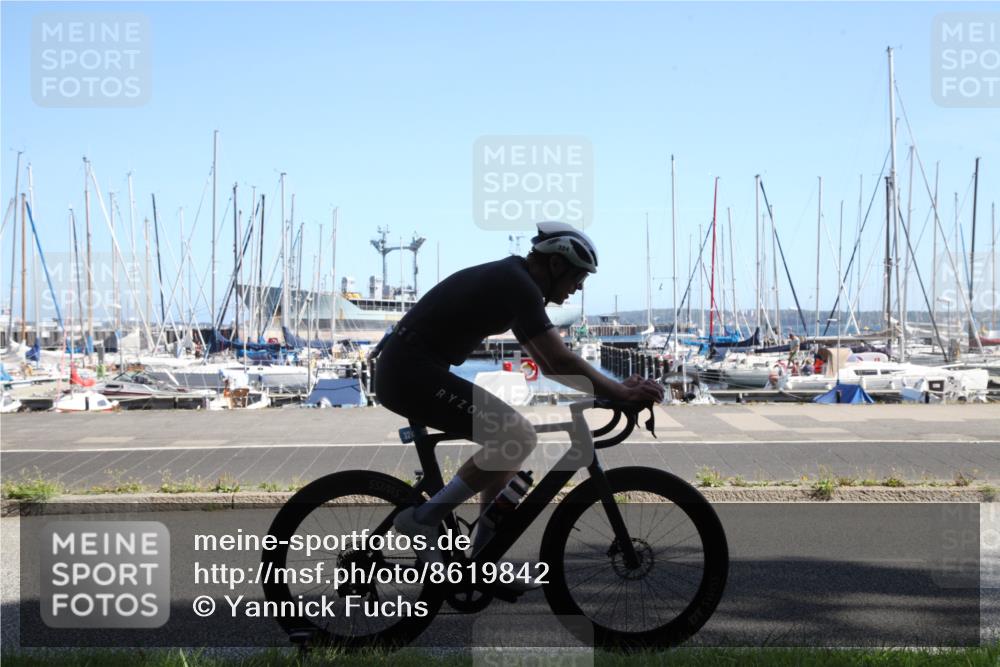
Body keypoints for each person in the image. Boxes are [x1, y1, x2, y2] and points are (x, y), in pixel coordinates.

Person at [374, 221, 664, 564]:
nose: (578, 288)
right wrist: (620, 391)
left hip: (411, 367)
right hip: (409, 372)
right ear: (556, 265)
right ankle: (422, 519)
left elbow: (550, 364)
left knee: (506, 452)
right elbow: (558, 359)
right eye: (578, 278)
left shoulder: (515, 282)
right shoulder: (517, 284)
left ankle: (483, 559)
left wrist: (616, 389)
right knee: (516, 436)